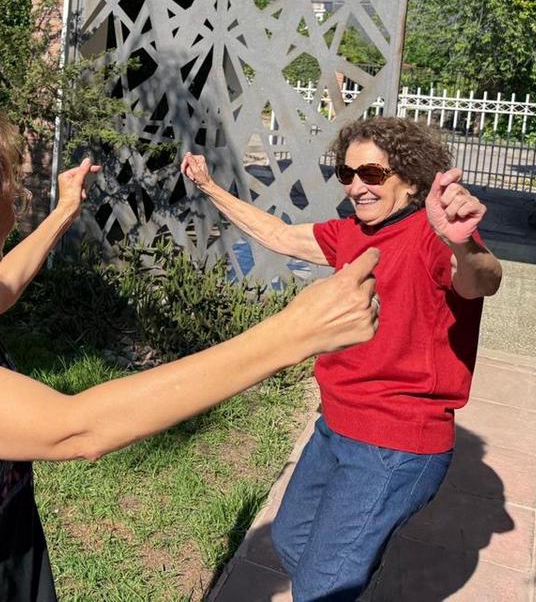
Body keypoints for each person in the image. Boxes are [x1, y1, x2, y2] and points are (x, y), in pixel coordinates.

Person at [0, 106, 382, 600]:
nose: (18, 196)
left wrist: (63, 211)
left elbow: (4, 282)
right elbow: (74, 428)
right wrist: (291, 335)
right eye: (8, 186)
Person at [179, 116, 503, 601]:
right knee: (291, 543)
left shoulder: (431, 238)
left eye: (372, 174)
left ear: (411, 179)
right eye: (346, 174)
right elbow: (282, 237)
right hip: (336, 425)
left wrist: (461, 240)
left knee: (321, 586)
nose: (356, 186)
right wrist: (209, 188)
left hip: (395, 442)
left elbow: (481, 280)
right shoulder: (351, 232)